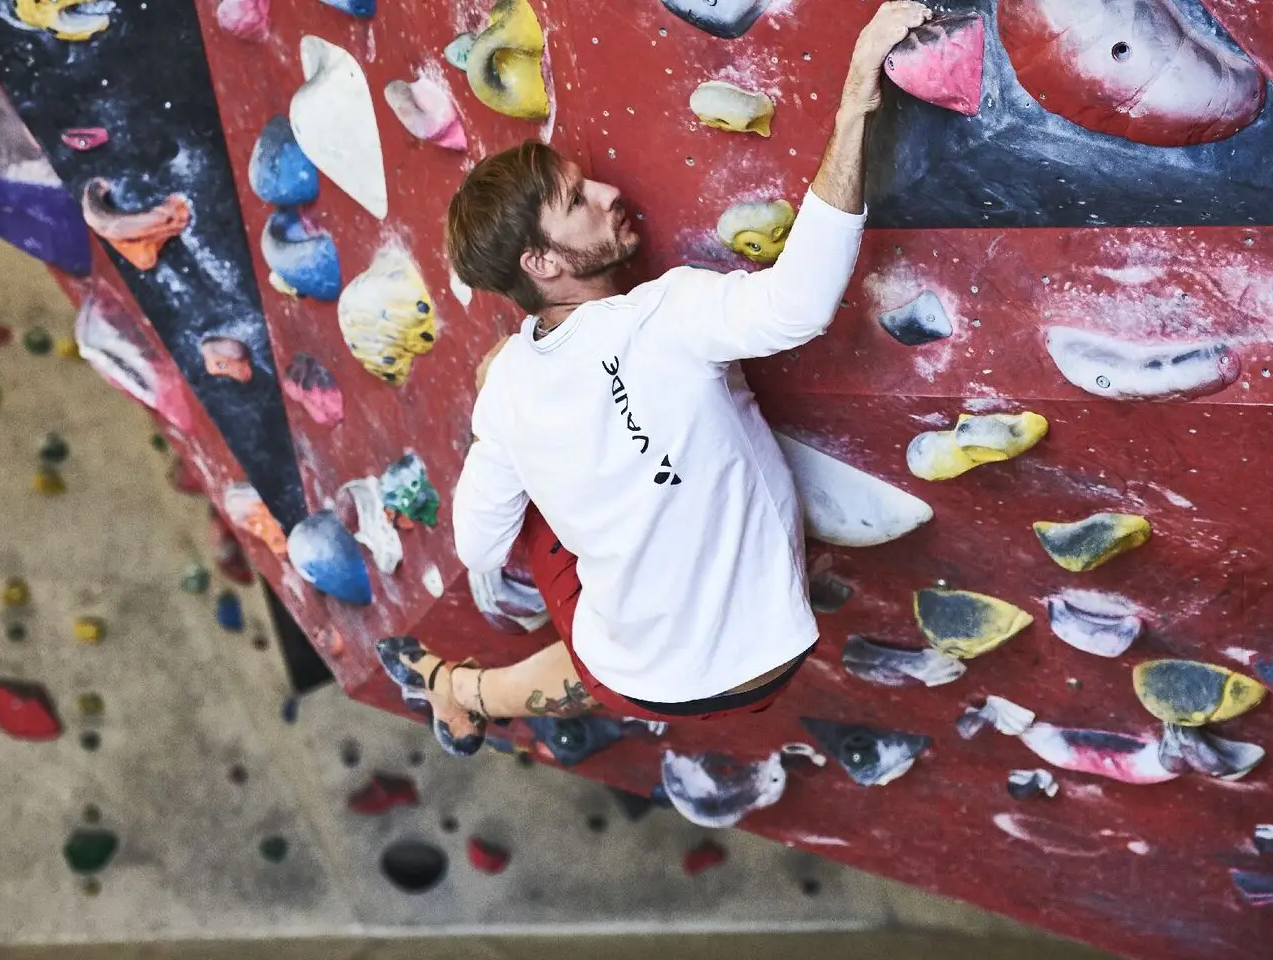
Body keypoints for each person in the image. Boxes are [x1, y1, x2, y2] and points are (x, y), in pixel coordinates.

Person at [380, 1, 934, 749]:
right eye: (579, 202)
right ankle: (464, 691)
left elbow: (479, 550)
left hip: (651, 686)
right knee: (587, 561)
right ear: (541, 265)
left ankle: (462, 692)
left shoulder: (510, 388)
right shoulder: (668, 311)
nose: (609, 195)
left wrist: (514, 421)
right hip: (764, 658)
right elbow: (798, 303)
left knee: (542, 520)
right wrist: (855, 99)